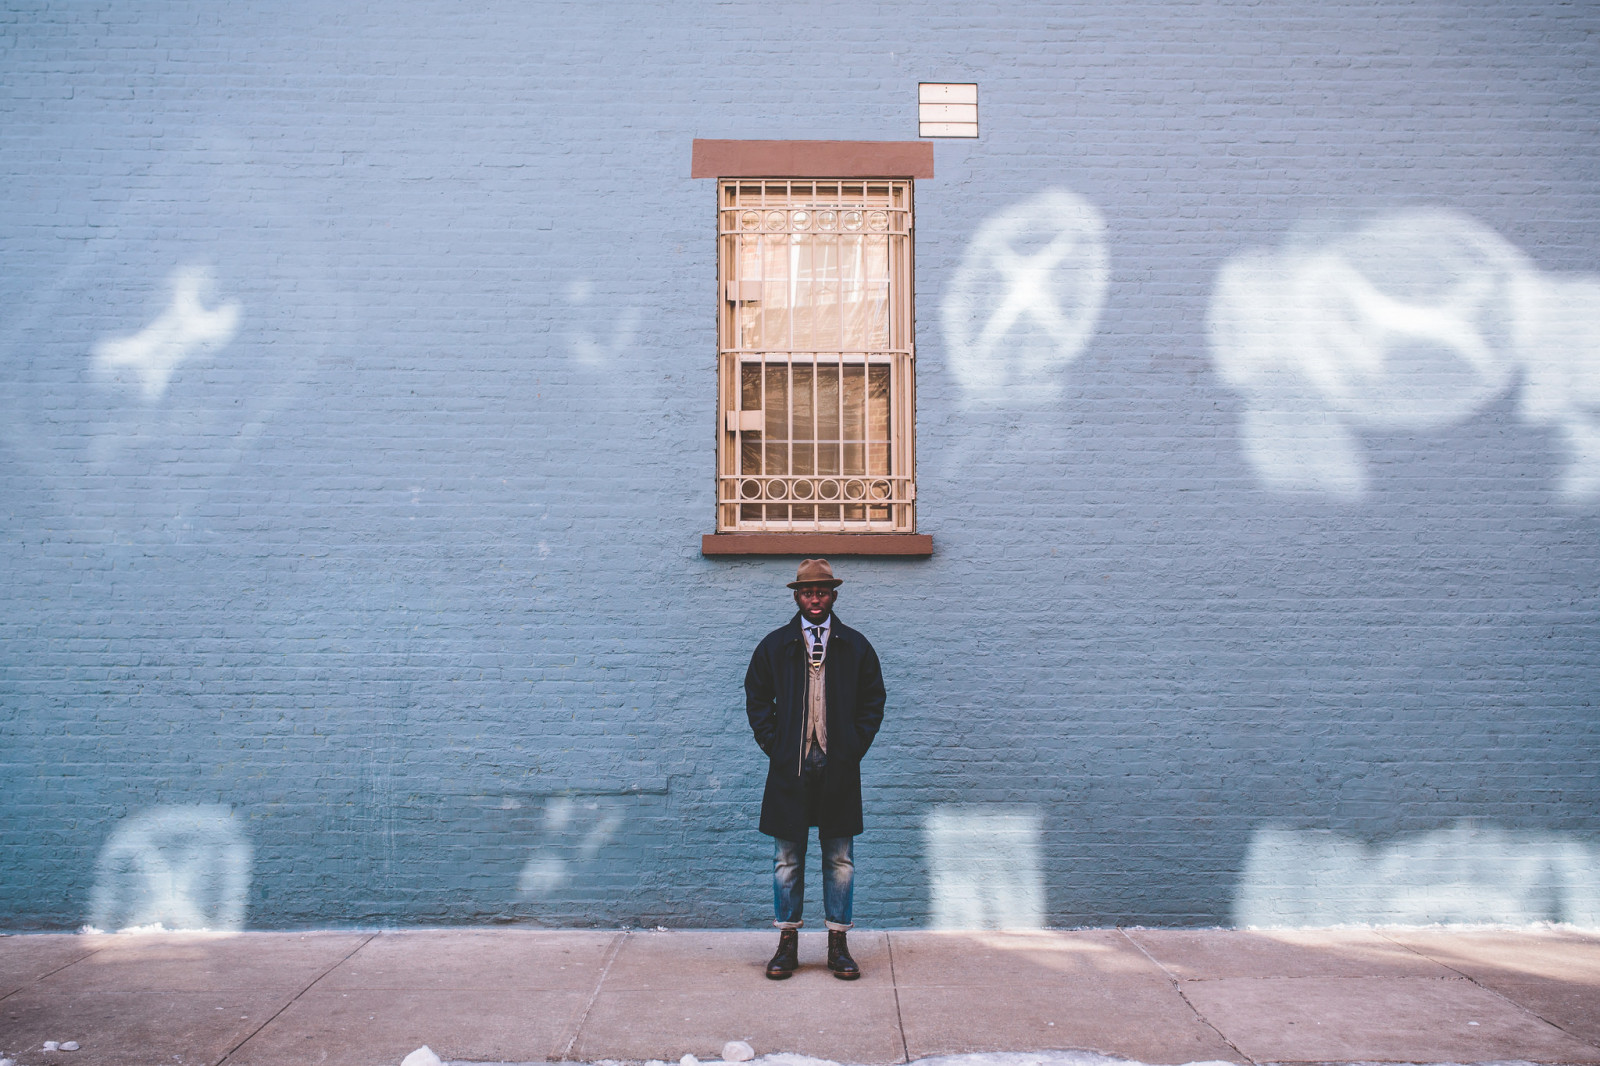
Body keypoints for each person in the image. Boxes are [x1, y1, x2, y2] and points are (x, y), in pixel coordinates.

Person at [744, 558, 886, 980]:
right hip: (791, 769)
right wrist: (777, 747)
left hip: (838, 768)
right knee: (786, 859)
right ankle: (787, 944)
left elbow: (872, 701)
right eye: (808, 592)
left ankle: (838, 945)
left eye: (822, 592)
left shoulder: (854, 645)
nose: (815, 599)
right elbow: (757, 700)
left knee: (840, 859)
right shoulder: (775, 645)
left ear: (834, 596)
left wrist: (851, 749)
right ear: (797, 597)